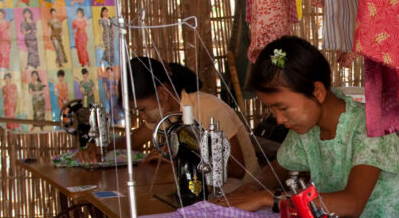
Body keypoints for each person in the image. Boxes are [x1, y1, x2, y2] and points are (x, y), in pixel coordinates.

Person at [218, 36, 399, 218]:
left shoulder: (370, 127)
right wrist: (250, 188)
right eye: (272, 109)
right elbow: (276, 170)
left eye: (283, 107)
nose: (278, 119)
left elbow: (352, 204)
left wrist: (268, 199)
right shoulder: (306, 129)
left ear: (317, 91)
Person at [75, 56, 260, 190]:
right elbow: (134, 142)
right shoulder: (166, 116)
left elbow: (237, 170)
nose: (142, 117)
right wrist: (101, 148)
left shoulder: (208, 109)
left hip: (239, 192)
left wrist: (178, 157)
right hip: (201, 189)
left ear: (163, 94)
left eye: (142, 109)